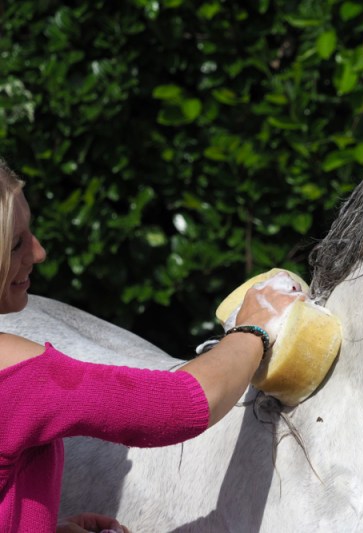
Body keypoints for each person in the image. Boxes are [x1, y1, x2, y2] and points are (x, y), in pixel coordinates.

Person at [0, 158, 303, 532]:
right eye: (16, 244)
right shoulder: (15, 373)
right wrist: (255, 326)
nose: (39, 252)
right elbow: (181, 404)